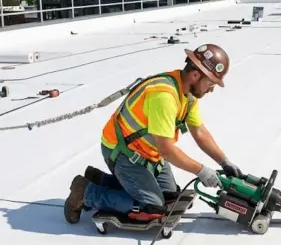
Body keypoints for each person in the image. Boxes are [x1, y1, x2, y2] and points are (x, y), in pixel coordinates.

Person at [64, 43, 243, 224]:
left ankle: (99, 179)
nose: (211, 89)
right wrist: (201, 171)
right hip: (124, 153)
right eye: (211, 83)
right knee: (152, 208)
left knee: (171, 197)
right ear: (196, 75)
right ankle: (86, 192)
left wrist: (224, 161)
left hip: (148, 154)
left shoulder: (188, 93)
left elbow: (200, 131)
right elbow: (166, 150)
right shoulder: (164, 97)